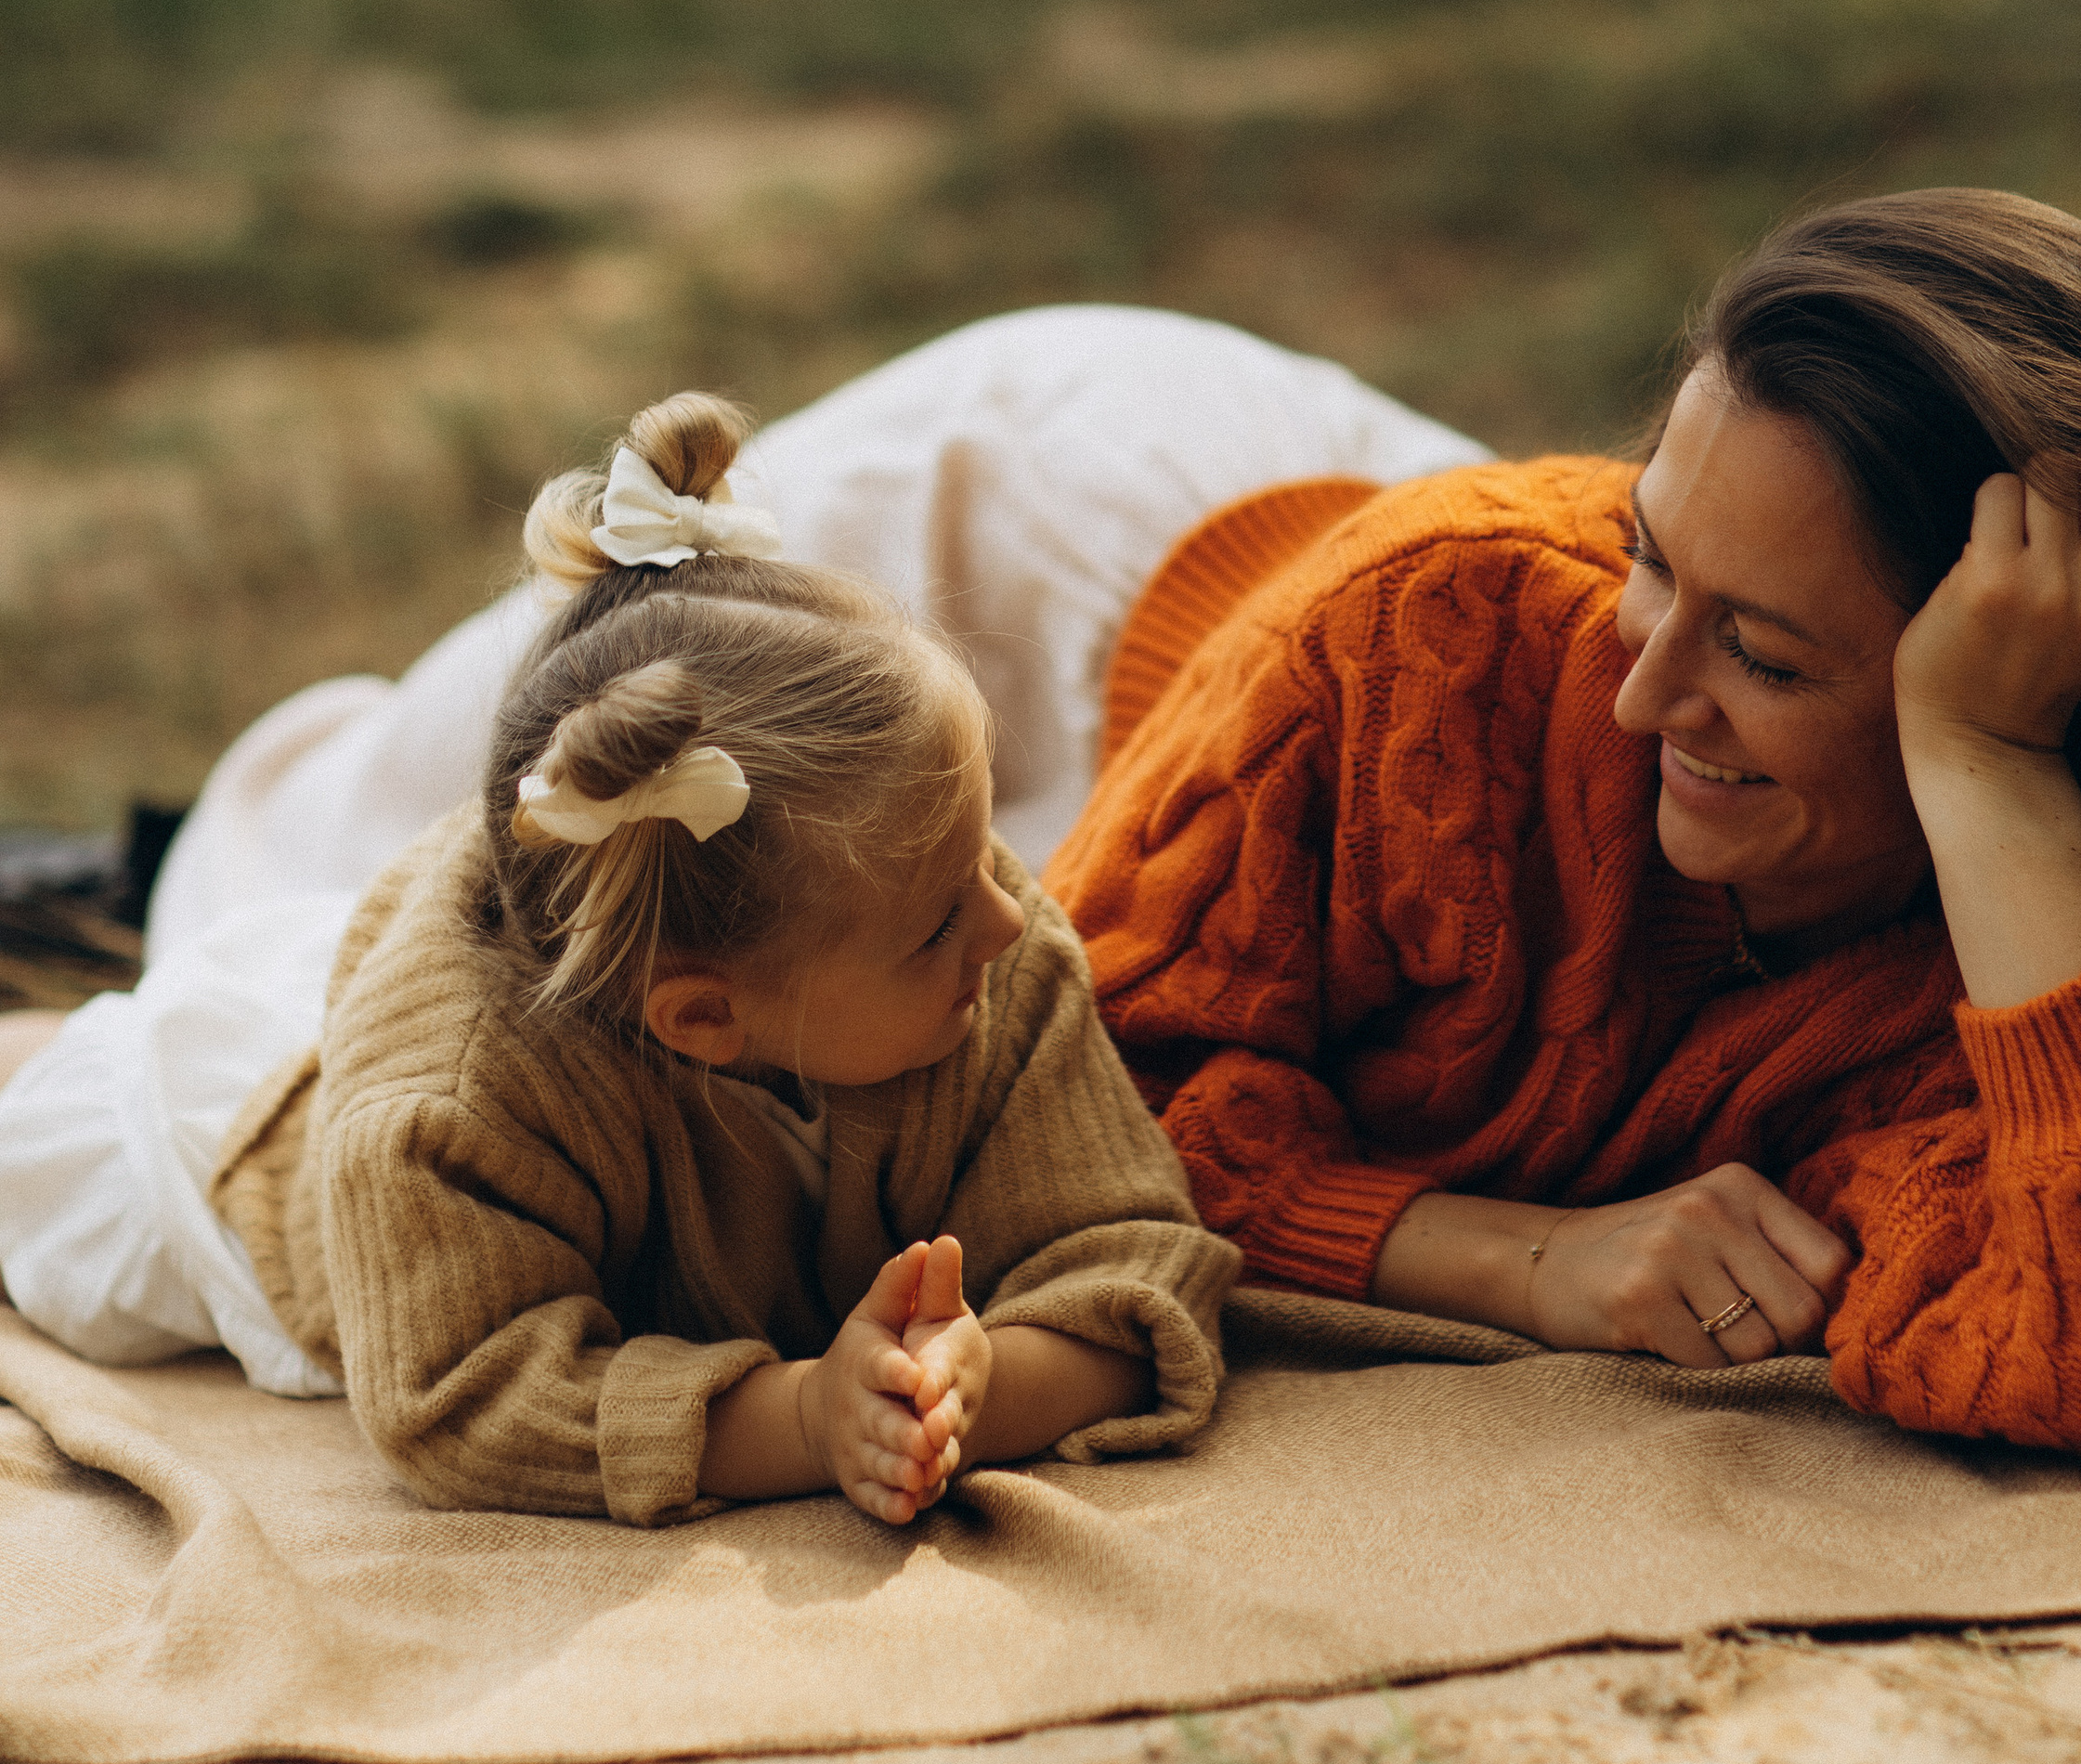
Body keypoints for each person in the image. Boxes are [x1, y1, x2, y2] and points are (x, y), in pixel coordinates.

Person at [1048, 191, 2081, 1485]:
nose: (1643, 697)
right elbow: (1051, 1117)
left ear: (2034, 676)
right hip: (1061, 547)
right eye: (1655, 561)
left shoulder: (2019, 971)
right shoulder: (1428, 634)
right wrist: (1525, 1259)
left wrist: (1993, 767)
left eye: (1764, 658)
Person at [0, 394, 1239, 1527]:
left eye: (985, 859)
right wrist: (805, 1416)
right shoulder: (445, 1115)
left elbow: (1126, 1250)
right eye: (937, 919)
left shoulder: (964, 936)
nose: (1009, 920)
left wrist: (980, 1381)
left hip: (492, 977)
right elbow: (459, 1400)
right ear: (705, 1018)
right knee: (58, 1130)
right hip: (220, 1159)